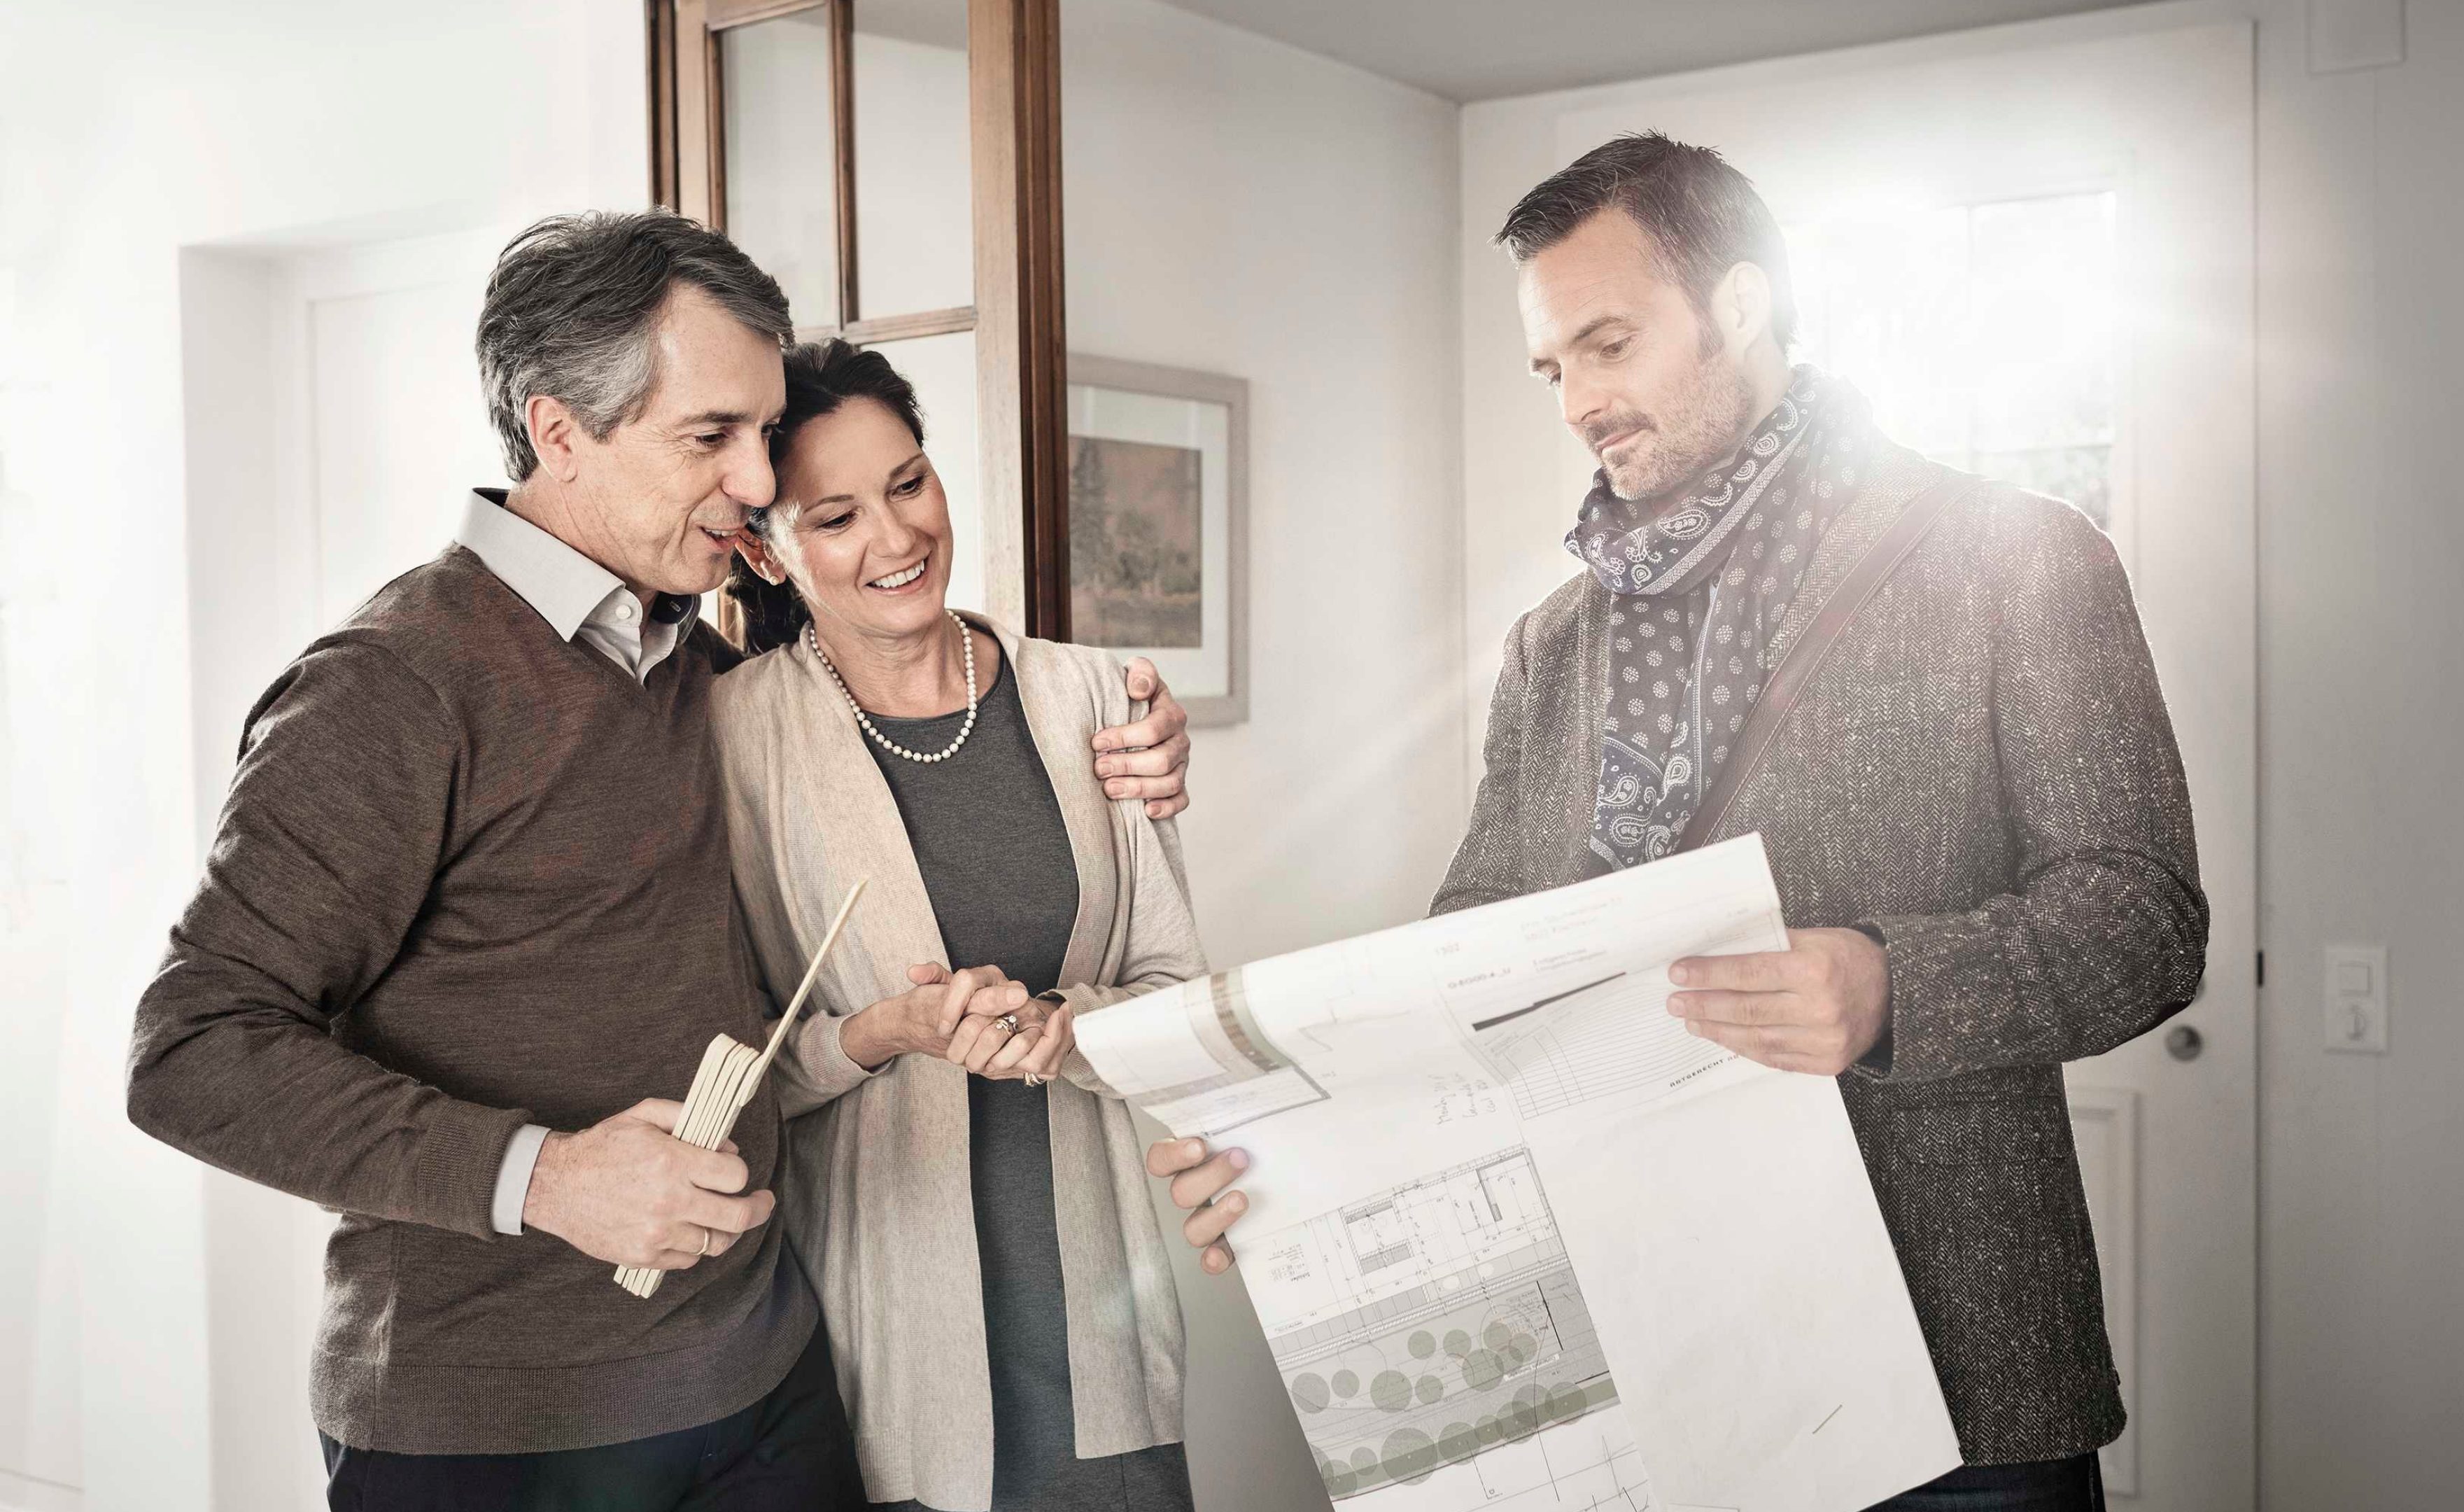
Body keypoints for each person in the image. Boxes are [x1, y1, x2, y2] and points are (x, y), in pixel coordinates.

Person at [1148, 132, 2208, 1511]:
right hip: (1648, 1363)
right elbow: (1470, 959)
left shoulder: (2018, 557)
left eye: (1610, 345)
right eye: (1553, 368)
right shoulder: (1553, 644)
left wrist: (1892, 984)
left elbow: (2142, 919)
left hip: (1959, 1374)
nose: (1581, 402)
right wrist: (1297, 1156)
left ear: (1741, 305)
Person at [127, 210, 1190, 1511]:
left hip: (765, 1383)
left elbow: (889, 689)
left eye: (764, 431)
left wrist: (1115, 735)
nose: (756, 479)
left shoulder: (696, 664)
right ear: (560, 431)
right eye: (711, 437)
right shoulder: (391, 684)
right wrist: (543, 1176)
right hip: (499, 1431)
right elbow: (193, 1051)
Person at [716, 340, 1202, 1512]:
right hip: (880, 1348)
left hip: (1099, 1329)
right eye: (835, 517)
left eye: (909, 483)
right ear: (765, 549)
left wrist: (1068, 1027)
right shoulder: (729, 739)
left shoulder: (1098, 699)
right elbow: (729, 1070)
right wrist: (882, 1032)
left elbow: (1178, 994)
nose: (896, 538)